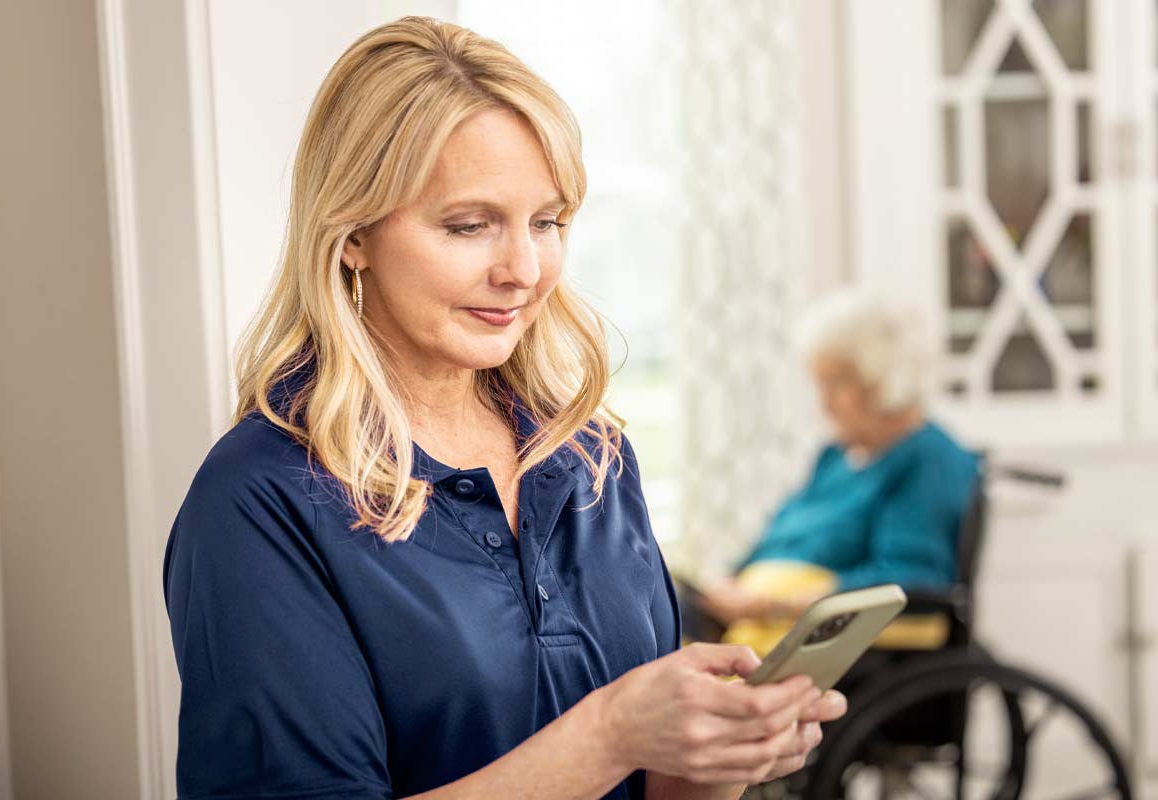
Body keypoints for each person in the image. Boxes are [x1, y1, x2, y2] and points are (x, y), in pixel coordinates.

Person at [162, 16, 845, 800]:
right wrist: (608, 733)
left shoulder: (589, 456)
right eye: (469, 225)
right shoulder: (260, 500)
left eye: (547, 222)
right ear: (352, 232)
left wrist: (722, 757)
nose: (524, 269)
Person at [695, 289, 981, 629]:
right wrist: (731, 581)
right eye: (820, 384)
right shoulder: (835, 457)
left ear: (883, 379)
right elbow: (781, 537)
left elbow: (913, 578)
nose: (824, 403)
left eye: (837, 383)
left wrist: (779, 605)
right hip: (750, 622)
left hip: (817, 639)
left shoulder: (926, 457)